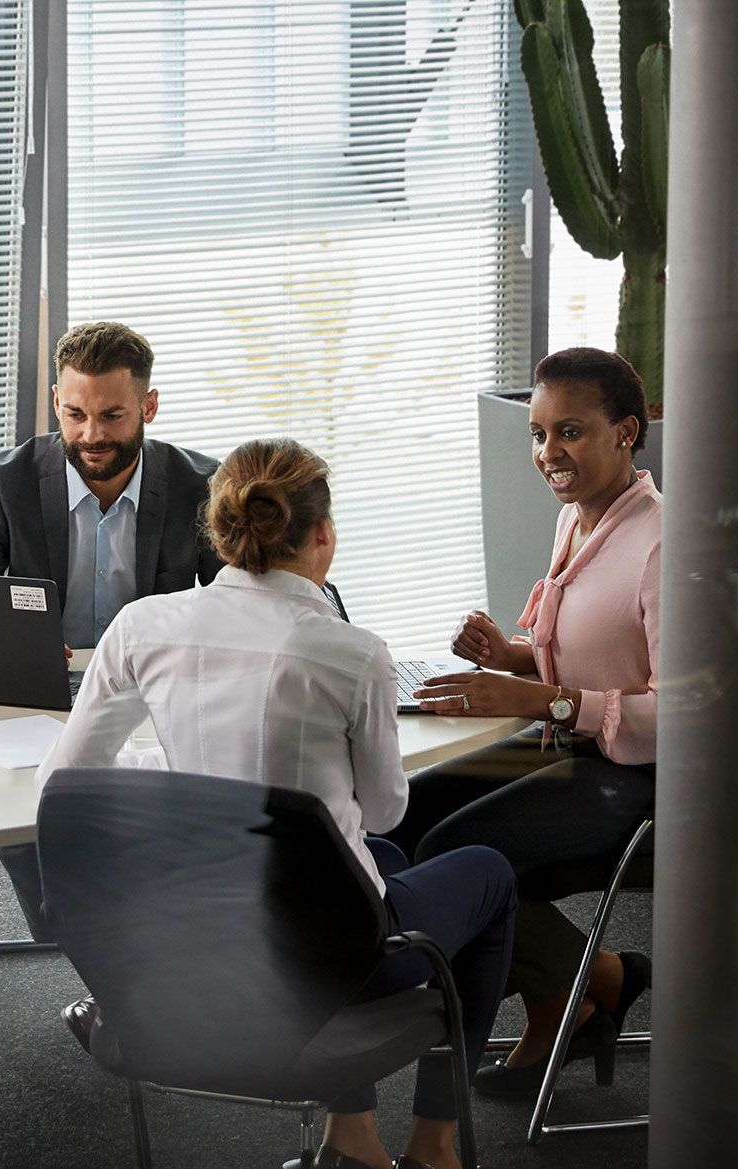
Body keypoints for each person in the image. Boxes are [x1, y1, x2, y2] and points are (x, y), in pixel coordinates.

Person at [42, 438, 516, 1169]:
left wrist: (175, 777)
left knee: (372, 861)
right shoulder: (351, 651)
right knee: (485, 873)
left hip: (179, 945)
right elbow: (386, 807)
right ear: (322, 534)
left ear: (222, 529)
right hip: (326, 965)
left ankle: (352, 1139)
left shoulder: (141, 625)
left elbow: (69, 776)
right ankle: (435, 1144)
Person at [383, 347, 658, 1097]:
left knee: (453, 850)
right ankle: (586, 983)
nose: (548, 453)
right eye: (537, 434)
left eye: (568, 431)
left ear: (626, 431)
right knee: (399, 819)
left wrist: (536, 699)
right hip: (565, 744)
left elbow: (681, 713)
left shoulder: (663, 542)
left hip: (640, 779)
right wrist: (505, 655)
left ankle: (572, 993)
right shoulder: (577, 518)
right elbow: (590, 666)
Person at [0, 320, 222, 941]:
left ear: (149, 405)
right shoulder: (2, 479)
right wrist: (21, 647)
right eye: (75, 415)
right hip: (38, 695)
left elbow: (255, 592)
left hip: (154, 695)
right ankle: (90, 937)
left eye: (113, 416)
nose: (91, 436)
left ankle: (135, 940)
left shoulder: (199, 485)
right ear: (56, 403)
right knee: (36, 798)